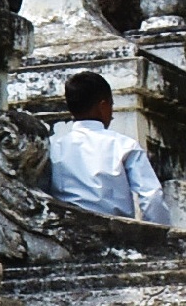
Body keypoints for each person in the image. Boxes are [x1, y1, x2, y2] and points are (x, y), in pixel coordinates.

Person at [43, 69, 166, 223]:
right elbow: (152, 197)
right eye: (111, 105)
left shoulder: (52, 148)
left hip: (67, 234)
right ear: (103, 106)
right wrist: (161, 239)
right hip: (115, 236)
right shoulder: (124, 145)